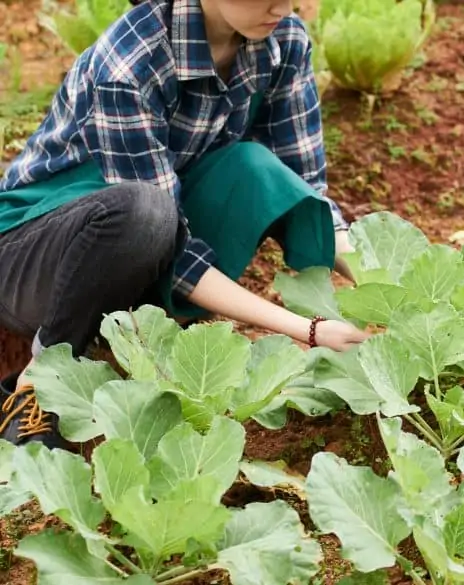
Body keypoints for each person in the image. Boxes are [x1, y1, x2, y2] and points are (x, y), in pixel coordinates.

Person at [0, 0, 370, 449]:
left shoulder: (282, 38)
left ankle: (132, 338)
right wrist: (308, 329)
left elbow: (307, 186)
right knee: (146, 213)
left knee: (253, 168)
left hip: (144, 240)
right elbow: (172, 246)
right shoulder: (131, 61)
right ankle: (40, 383)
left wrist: (385, 288)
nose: (284, 6)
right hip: (30, 253)